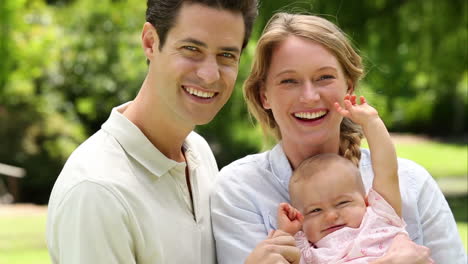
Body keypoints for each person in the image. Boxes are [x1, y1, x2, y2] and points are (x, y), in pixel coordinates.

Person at [46, 1, 300, 263]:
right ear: (150, 42)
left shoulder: (199, 154)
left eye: (226, 55)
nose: (210, 75)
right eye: (191, 49)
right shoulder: (96, 191)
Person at [211, 12, 467, 264]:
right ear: (264, 95)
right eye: (289, 81)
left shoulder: (411, 183)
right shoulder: (240, 191)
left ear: (349, 86)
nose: (309, 96)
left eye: (324, 77)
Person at [277, 94, 421, 263]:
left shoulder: (380, 218)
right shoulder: (309, 253)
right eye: (315, 210)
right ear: (301, 221)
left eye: (342, 203)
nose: (330, 216)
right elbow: (285, 254)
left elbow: (386, 171)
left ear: (367, 202)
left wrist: (372, 122)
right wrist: (288, 232)